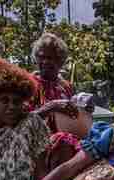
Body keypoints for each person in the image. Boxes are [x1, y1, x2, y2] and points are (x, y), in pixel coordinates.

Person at [28, 32, 78, 171]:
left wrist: (83, 109)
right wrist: (51, 107)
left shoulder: (66, 87)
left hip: (68, 140)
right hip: (37, 144)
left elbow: (73, 117)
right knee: (63, 140)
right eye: (41, 57)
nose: (45, 62)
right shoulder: (27, 84)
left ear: (60, 61)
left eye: (50, 58)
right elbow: (20, 121)